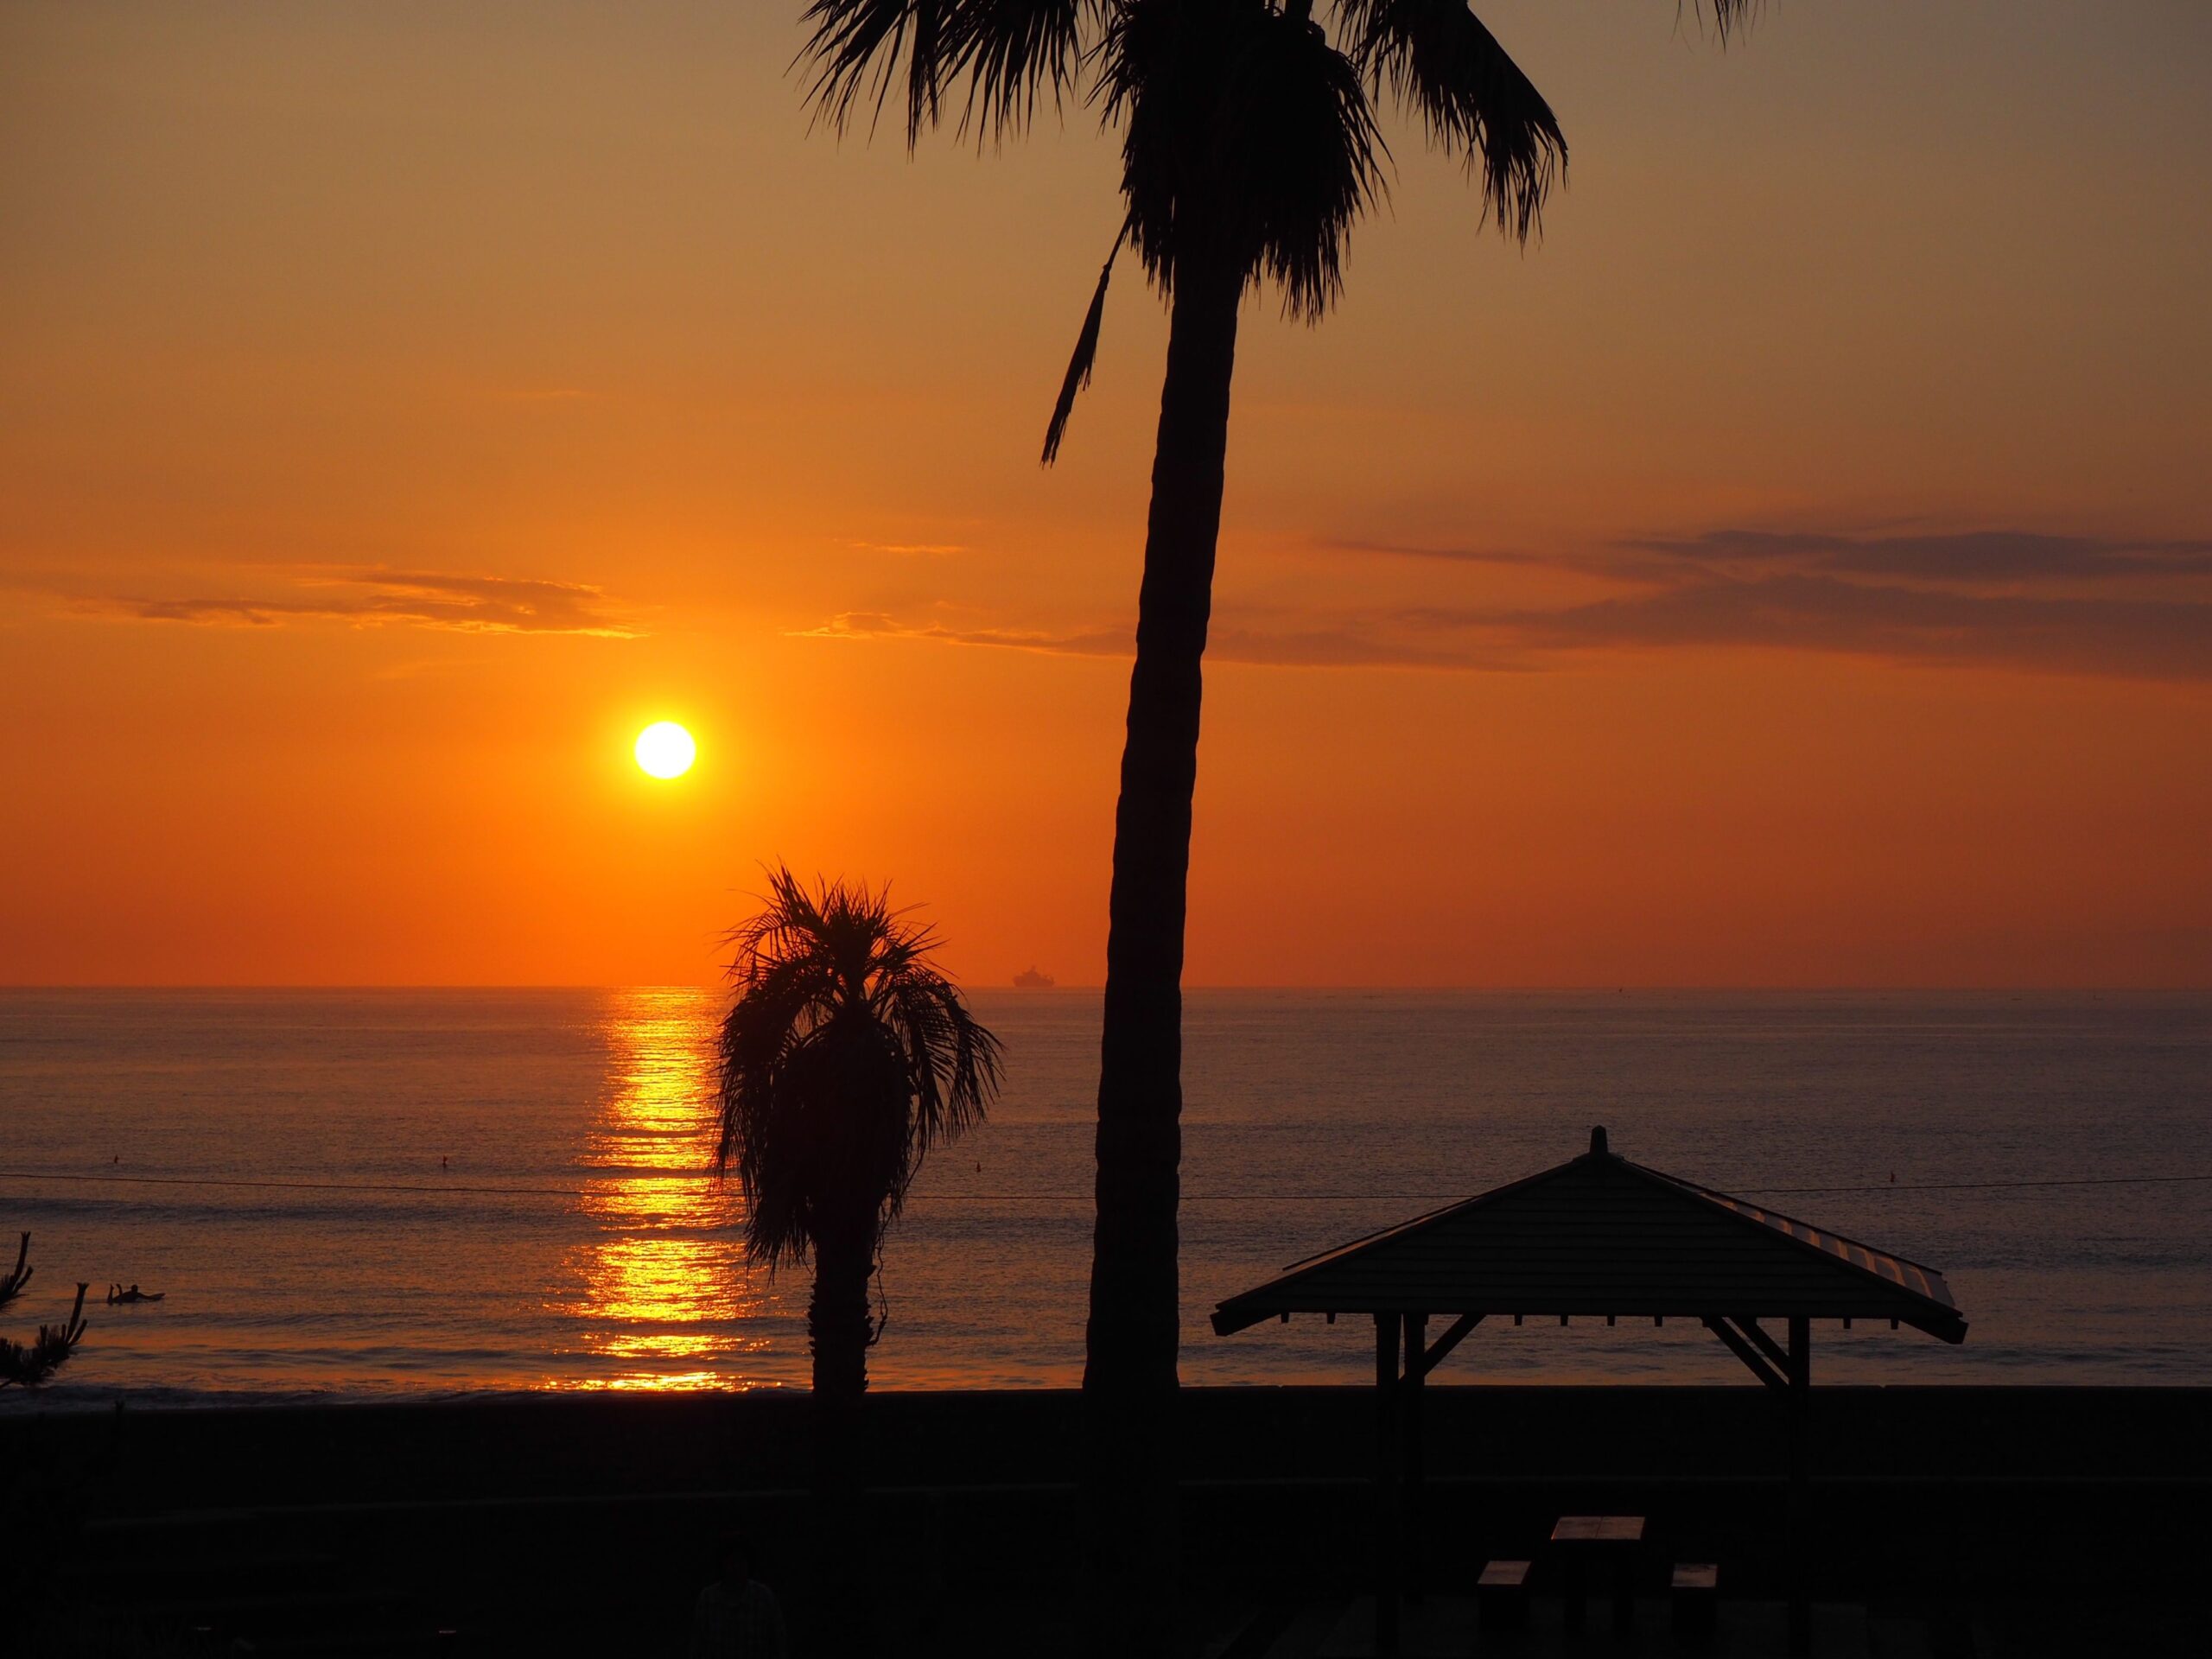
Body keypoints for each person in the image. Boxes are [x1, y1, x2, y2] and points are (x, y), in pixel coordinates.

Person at [689, 1540, 785, 1659]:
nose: (736, 1567)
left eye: (741, 1561)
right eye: (731, 1561)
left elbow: (778, 1644)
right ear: (722, 1564)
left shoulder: (764, 1598)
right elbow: (697, 1645)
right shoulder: (708, 1599)